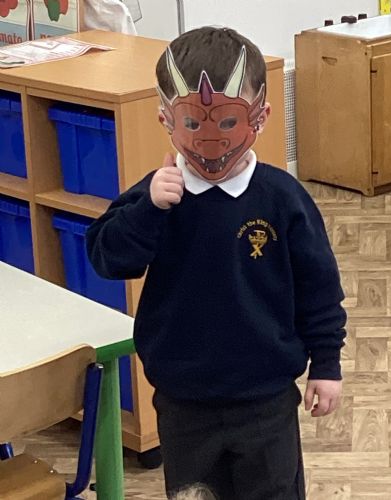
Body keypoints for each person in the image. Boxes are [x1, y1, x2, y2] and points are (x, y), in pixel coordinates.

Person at [86, 26, 347, 500]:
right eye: (192, 124)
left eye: (227, 123)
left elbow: (320, 289)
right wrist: (149, 209)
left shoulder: (283, 198)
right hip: (184, 400)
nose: (210, 142)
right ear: (165, 118)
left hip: (266, 398)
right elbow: (108, 258)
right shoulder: (156, 195)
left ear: (261, 116)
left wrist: (326, 364)